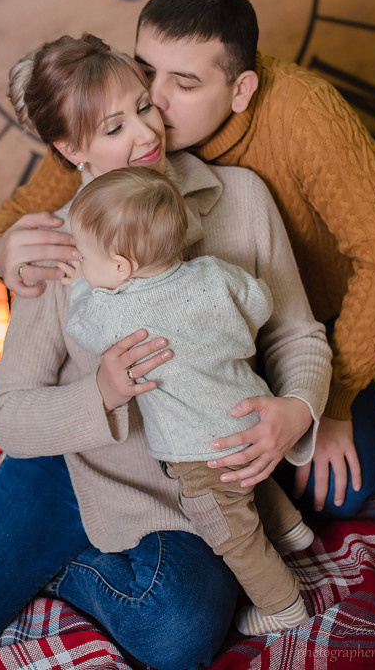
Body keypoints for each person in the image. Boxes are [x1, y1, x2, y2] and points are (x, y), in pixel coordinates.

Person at [0, 35, 332, 670]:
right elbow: (8, 414)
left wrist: (296, 410)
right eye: (115, 126)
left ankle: (56, 569)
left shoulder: (241, 199)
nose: (147, 134)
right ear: (71, 149)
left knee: (178, 638)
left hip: (187, 483)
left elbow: (295, 333)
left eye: (146, 107)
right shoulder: (58, 245)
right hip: (65, 470)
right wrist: (101, 396)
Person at [0, 0, 375, 519]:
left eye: (184, 85)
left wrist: (324, 407)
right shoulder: (135, 135)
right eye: (146, 75)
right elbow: (62, 179)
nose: (156, 110)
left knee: (334, 496)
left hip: (314, 322)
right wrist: (0, 250)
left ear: (239, 91)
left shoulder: (301, 115)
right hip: (210, 351)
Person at [65, 165, 316, 636]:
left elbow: (80, 325)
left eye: (85, 255)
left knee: (231, 531)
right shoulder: (214, 272)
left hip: (198, 450)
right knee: (250, 479)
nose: (82, 264)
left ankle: (283, 607)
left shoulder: (114, 310)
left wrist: (79, 281)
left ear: (120, 267)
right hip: (251, 411)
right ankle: (289, 530)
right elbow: (259, 301)